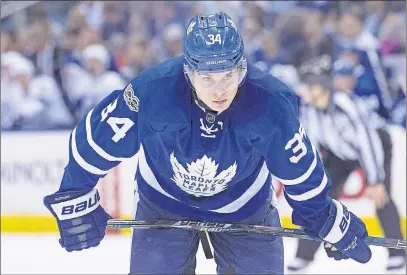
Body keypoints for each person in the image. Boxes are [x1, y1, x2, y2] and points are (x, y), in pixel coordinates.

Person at [43, 12, 372, 274]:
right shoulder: (153, 91)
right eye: (208, 78)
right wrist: (74, 193)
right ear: (188, 71)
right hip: (164, 203)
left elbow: (299, 172)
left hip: (244, 208)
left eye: (228, 75)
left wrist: (324, 217)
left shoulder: (270, 102)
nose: (220, 89)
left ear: (242, 66)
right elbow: (95, 142)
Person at [287, 72, 406, 273]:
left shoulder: (344, 103)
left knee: (381, 197)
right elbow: (313, 145)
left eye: (306, 88)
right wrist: (314, 177)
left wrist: (375, 180)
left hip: (375, 148)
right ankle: (303, 256)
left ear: (318, 88)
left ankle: (397, 253)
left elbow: (368, 142)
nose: (302, 92)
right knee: (319, 201)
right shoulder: (309, 108)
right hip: (339, 153)